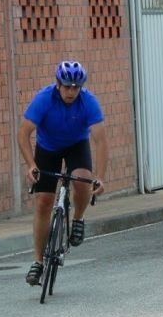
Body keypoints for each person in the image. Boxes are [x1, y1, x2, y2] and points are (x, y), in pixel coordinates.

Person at [18, 60, 108, 286]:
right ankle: (38, 262)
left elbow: (101, 141)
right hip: (47, 147)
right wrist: (31, 165)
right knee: (43, 203)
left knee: (82, 181)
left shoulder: (89, 102)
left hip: (77, 146)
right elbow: (24, 133)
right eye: (67, 86)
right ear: (58, 84)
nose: (71, 92)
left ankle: (77, 218)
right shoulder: (44, 99)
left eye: (76, 87)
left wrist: (100, 176)